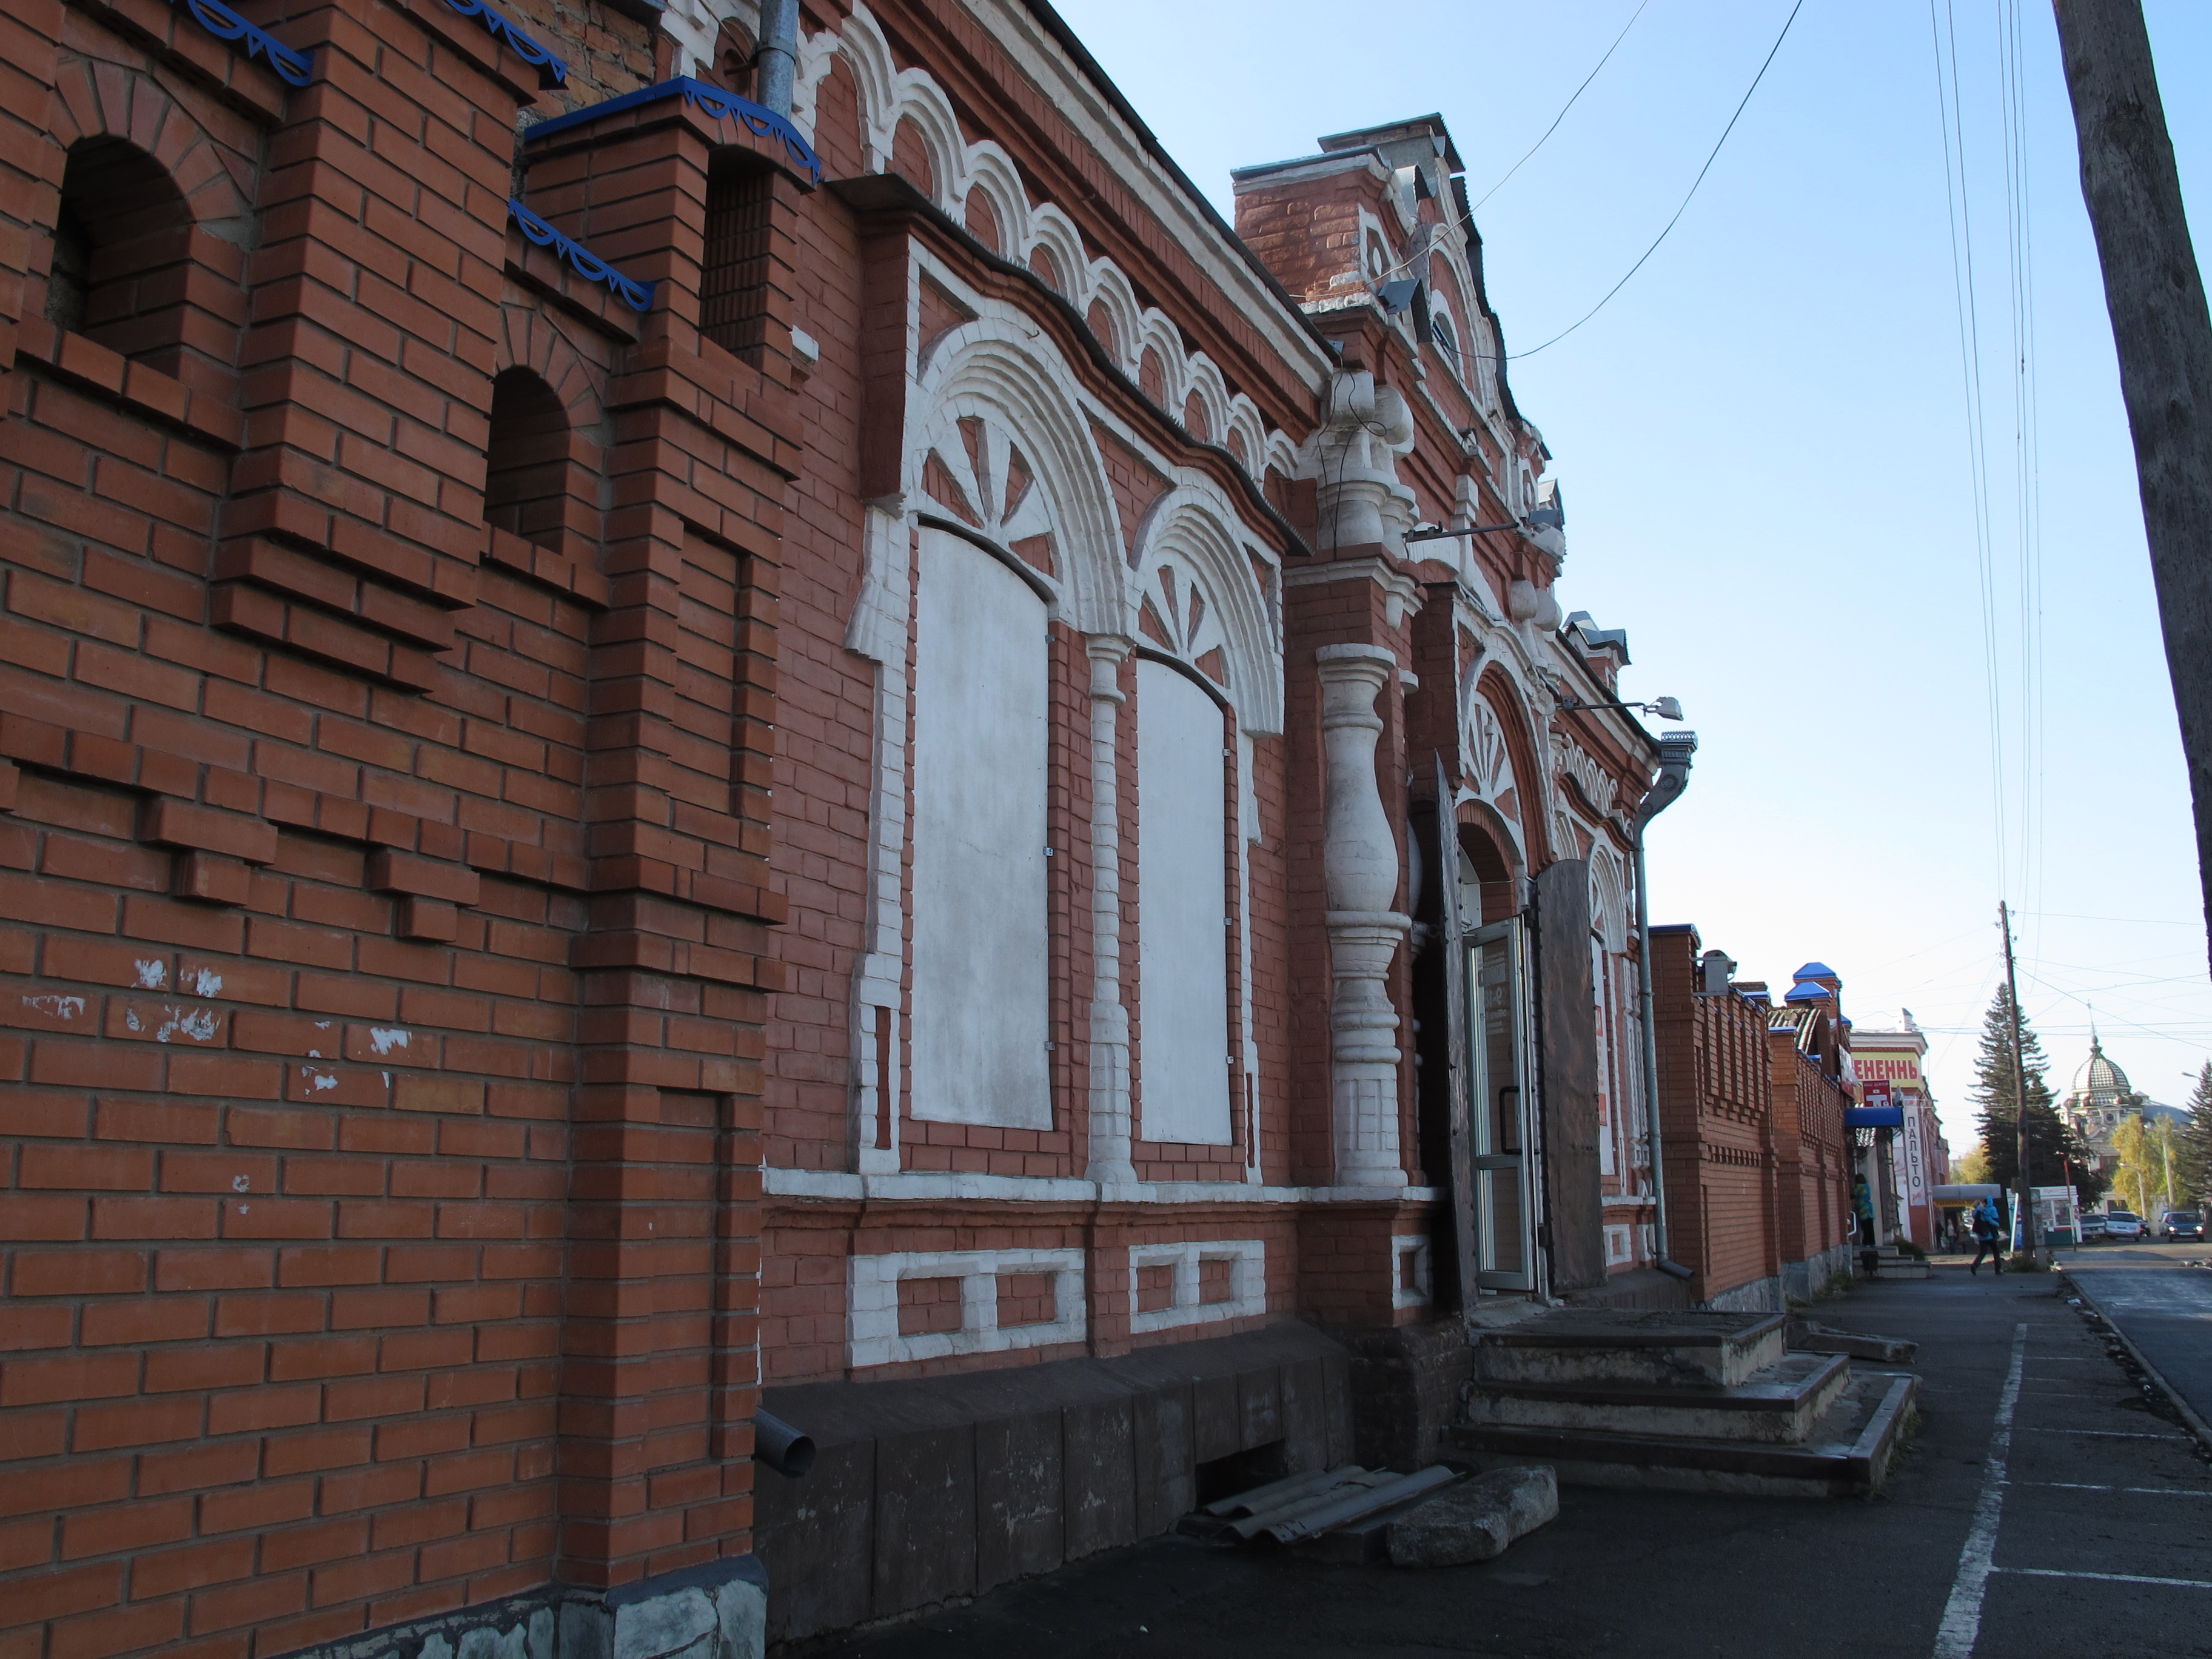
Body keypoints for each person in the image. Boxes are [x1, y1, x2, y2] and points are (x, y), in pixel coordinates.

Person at [1969, 1195, 2006, 1275]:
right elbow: (1995, 1221)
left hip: (1982, 1236)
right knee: (1996, 1252)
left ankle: (1975, 1265)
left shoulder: (1977, 1212)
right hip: (1991, 1235)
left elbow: (1976, 1218)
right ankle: (1998, 1269)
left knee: (1982, 1253)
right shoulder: (1992, 1210)